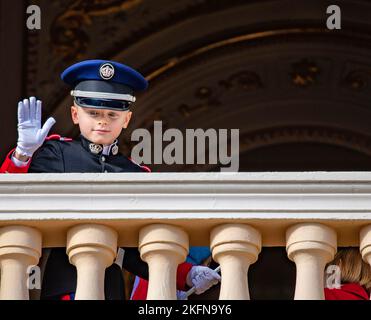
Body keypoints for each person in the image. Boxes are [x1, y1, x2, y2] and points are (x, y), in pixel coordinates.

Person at [0, 59, 221, 299]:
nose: (102, 121)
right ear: (75, 114)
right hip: (66, 286)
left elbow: (137, 252)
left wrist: (187, 274)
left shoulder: (135, 174)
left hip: (112, 289)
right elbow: (10, 199)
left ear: (126, 120)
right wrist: (23, 154)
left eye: (112, 114)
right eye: (93, 112)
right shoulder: (57, 154)